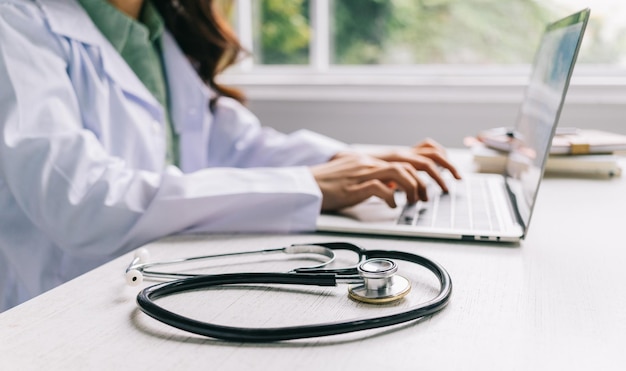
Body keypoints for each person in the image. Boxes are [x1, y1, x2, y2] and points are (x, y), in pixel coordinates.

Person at [0, 0, 460, 312]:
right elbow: (82, 198)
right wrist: (310, 185)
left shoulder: (154, 30)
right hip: (58, 308)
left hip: (158, 288)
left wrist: (357, 162)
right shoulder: (15, 22)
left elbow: (238, 145)